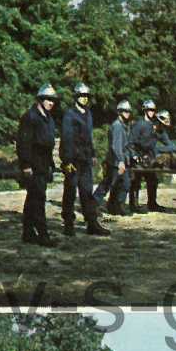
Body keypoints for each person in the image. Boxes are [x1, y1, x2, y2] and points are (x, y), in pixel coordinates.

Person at [59, 83, 108, 237]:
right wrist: (67, 160)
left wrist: (92, 154)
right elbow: (67, 139)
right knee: (70, 191)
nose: (84, 98)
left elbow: (89, 138)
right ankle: (68, 223)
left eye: (86, 96)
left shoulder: (88, 114)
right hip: (73, 160)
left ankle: (91, 222)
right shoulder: (69, 115)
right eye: (81, 96)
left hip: (85, 159)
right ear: (76, 97)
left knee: (87, 191)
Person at [17, 85, 60, 246]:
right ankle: (43, 234)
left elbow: (48, 143)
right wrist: (26, 164)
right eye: (48, 99)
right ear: (40, 100)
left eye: (53, 100)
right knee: (38, 199)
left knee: (32, 199)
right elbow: (23, 143)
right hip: (33, 163)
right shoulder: (30, 117)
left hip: (43, 163)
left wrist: (51, 164)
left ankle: (28, 232)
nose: (51, 103)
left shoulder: (48, 118)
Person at [96, 99, 133, 215]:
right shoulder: (117, 126)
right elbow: (116, 146)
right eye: (125, 111)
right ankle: (93, 204)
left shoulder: (123, 125)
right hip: (116, 161)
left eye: (128, 111)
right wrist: (121, 161)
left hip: (120, 160)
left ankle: (114, 207)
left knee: (121, 184)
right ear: (119, 112)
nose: (127, 113)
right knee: (108, 184)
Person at [128, 100, 161, 213]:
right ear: (145, 110)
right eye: (149, 110)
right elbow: (131, 141)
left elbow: (154, 143)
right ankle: (134, 205)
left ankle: (152, 204)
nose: (151, 112)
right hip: (138, 156)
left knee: (153, 180)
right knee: (135, 181)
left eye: (153, 110)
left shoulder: (153, 125)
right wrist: (134, 155)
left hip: (149, 157)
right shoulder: (139, 124)